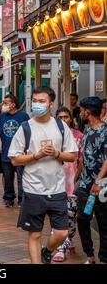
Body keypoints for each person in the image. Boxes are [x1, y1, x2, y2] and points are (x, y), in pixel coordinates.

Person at [8, 86, 78, 264]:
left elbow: (72, 155)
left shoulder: (61, 126)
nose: (37, 104)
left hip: (57, 188)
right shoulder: (25, 128)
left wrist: (56, 154)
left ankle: (47, 252)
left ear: (51, 104)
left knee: (62, 233)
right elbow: (15, 159)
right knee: (35, 233)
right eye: (35, 101)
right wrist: (35, 155)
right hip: (33, 189)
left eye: (42, 101)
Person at [76, 97, 107, 264]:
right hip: (84, 185)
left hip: (101, 186)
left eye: (82, 110)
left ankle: (103, 257)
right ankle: (89, 255)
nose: (80, 113)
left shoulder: (106, 131)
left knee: (103, 222)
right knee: (82, 218)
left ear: (88, 111)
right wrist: (76, 178)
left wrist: (98, 181)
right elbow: (84, 157)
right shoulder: (87, 130)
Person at [52, 107, 84, 262]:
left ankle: (67, 239)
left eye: (66, 117)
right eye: (60, 117)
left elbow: (82, 161)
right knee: (57, 217)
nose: (63, 120)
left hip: (72, 184)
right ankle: (61, 248)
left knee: (71, 217)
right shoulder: (50, 136)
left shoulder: (78, 136)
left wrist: (77, 178)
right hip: (54, 185)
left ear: (70, 119)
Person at [0, 94, 30, 208]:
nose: (3, 105)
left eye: (6, 103)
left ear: (13, 104)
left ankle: (22, 199)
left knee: (21, 177)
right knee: (7, 177)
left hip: (21, 154)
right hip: (6, 153)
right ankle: (9, 197)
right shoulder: (1, 118)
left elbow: (29, 133)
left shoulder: (24, 116)